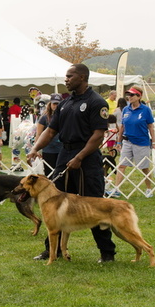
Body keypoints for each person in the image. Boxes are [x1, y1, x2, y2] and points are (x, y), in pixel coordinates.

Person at [27, 63, 116, 263]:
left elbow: (98, 135)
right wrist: (35, 148)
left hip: (87, 157)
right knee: (53, 204)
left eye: (70, 76)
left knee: (94, 206)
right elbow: (50, 131)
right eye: (66, 76)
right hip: (64, 155)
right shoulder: (65, 103)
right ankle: (52, 250)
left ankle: (107, 253)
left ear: (82, 77)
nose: (66, 79)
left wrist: (80, 157)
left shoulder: (96, 102)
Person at [110, 87, 155, 198]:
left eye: (132, 95)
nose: (129, 97)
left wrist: (154, 141)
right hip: (127, 141)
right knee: (121, 165)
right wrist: (119, 141)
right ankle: (116, 189)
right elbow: (122, 127)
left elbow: (150, 126)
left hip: (141, 142)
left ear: (139, 96)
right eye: (128, 95)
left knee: (144, 167)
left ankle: (149, 189)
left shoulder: (145, 110)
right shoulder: (126, 109)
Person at [33, 93, 63, 174]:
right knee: (49, 173)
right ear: (50, 104)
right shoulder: (44, 117)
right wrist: (37, 149)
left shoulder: (65, 116)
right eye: (54, 103)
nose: (55, 106)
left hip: (62, 149)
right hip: (48, 150)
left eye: (58, 104)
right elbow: (38, 134)